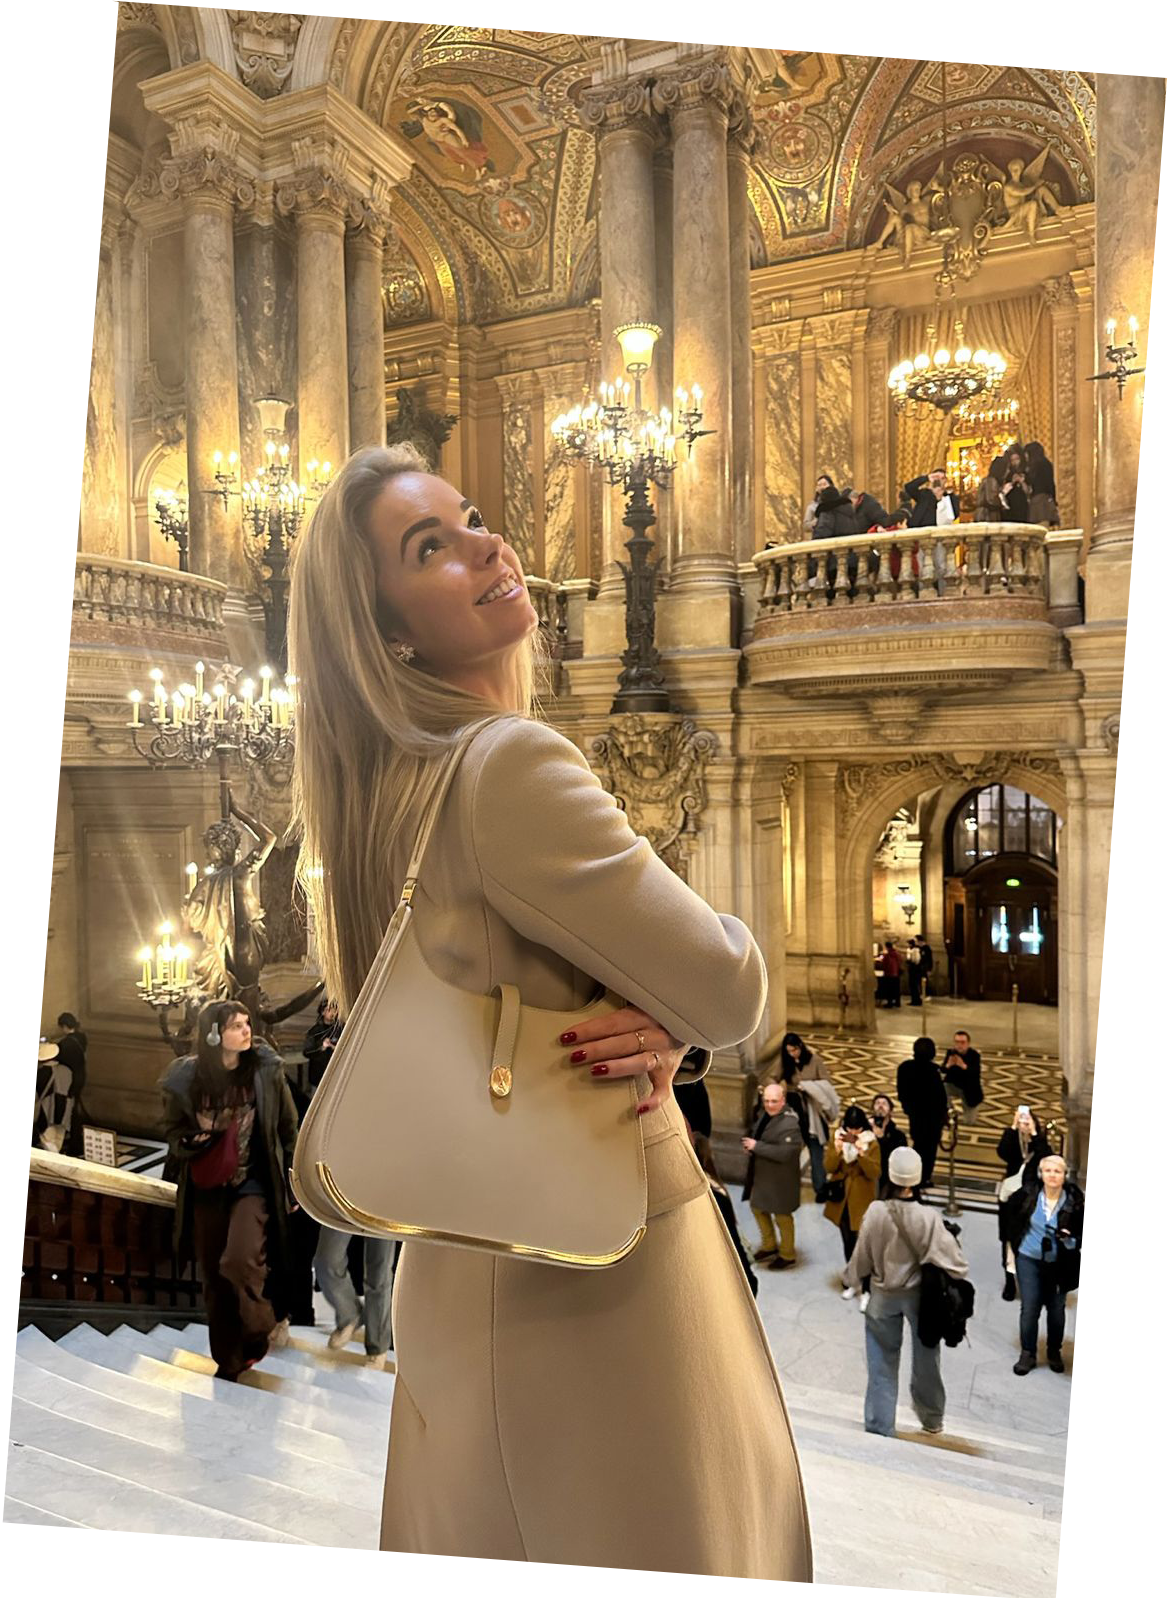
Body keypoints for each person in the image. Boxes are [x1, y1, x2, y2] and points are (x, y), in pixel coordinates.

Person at [288, 443, 813, 1592]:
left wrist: (652, 1009)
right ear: (387, 634)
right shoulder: (508, 765)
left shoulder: (384, 790)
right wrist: (681, 1000)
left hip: (462, 1277)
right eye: (430, 548)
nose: (486, 544)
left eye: (473, 517)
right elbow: (728, 987)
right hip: (601, 1272)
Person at [160, 1001, 300, 1382]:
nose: (246, 1030)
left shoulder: (265, 1071)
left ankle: (260, 1325)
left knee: (237, 1261)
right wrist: (193, 1140)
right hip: (208, 1187)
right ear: (213, 1034)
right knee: (213, 1276)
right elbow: (173, 1133)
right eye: (235, 1025)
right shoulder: (187, 1079)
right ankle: (229, 1360)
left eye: (246, 1023)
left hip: (253, 1182)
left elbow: (289, 1129)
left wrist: (294, 1184)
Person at [846, 1145, 970, 1437]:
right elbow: (958, 1265)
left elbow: (860, 1258)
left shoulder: (875, 1211)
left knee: (880, 1362)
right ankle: (932, 1419)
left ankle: (879, 1426)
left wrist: (851, 1279)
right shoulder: (927, 1217)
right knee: (927, 1359)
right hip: (920, 1298)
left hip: (881, 1295)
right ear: (917, 1179)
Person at [1004, 1154, 1082, 1374]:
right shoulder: (1028, 1194)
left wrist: (1069, 1238)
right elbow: (1011, 1218)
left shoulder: (1074, 1201)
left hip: (1059, 1264)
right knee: (1030, 1308)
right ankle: (1028, 1352)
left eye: (1057, 1171)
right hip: (1028, 1258)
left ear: (1065, 1175)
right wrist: (1014, 1243)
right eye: (1048, 1170)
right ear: (1041, 1173)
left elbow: (1082, 1232)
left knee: (1056, 1309)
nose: (1052, 1175)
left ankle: (1054, 1351)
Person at [760, 1031, 839, 1201]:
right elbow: (771, 1078)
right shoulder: (785, 1062)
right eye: (789, 1051)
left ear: (800, 1047)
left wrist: (808, 1086)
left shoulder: (815, 1060)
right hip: (794, 1109)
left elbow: (826, 1083)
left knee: (816, 1149)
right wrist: (776, 1089)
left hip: (812, 1111)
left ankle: (820, 1187)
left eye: (794, 1050)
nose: (792, 1054)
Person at [314, 1226, 398, 1368]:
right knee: (326, 1260)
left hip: (388, 1207)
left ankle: (377, 1346)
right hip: (344, 1205)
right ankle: (349, 1315)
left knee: (379, 1274)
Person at [742, 1081, 803, 1270]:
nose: (769, 1105)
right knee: (758, 1208)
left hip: (780, 1180)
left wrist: (757, 1147)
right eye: (766, 1101)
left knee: (782, 1217)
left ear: (783, 1100)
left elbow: (786, 1153)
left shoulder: (790, 1123)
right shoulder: (764, 1114)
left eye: (774, 1101)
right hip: (763, 1176)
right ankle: (769, 1246)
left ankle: (787, 1254)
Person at [824, 1105, 882, 1299]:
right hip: (842, 1200)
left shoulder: (870, 1142)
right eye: (850, 1128)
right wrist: (838, 1151)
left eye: (856, 1129)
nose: (853, 1133)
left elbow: (875, 1172)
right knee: (848, 1242)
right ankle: (852, 1280)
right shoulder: (837, 1138)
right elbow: (829, 1166)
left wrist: (861, 1154)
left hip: (861, 1198)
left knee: (863, 1246)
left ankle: (867, 1287)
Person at [996, 1107, 1053, 1300]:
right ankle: (1010, 1282)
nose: (1023, 1124)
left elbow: (1047, 1158)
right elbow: (1002, 1152)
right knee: (1008, 1241)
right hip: (1010, 1197)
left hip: (1031, 1198)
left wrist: (1035, 1134)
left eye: (1026, 1121)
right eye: (1020, 1121)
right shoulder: (1012, 1138)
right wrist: (1013, 1128)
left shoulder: (1039, 1142)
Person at [896, 1037, 948, 1186]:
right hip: (932, 1118)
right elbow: (940, 1098)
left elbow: (902, 1092)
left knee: (918, 1144)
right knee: (929, 1150)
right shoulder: (932, 1071)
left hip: (914, 1115)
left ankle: (914, 1175)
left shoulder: (904, 1067)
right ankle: (922, 1177)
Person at [37, 1012, 88, 1157]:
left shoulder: (65, 1045)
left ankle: (74, 1145)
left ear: (64, 1026)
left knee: (68, 1115)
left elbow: (56, 1054)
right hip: (79, 1077)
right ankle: (76, 1145)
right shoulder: (81, 1038)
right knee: (74, 1113)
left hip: (67, 1083)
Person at [870, 1093, 908, 1195]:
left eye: (884, 1104)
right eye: (877, 1103)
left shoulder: (898, 1136)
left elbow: (897, 1159)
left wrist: (882, 1139)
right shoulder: (864, 1130)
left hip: (887, 1178)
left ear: (890, 1111)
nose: (880, 1106)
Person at [942, 1029, 984, 1120]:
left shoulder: (974, 1055)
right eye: (957, 1042)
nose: (959, 1045)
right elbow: (943, 1070)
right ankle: (950, 1111)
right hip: (953, 1085)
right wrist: (948, 1065)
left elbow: (975, 1075)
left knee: (970, 1122)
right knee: (939, 1088)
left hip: (969, 1090)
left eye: (962, 1042)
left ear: (968, 1043)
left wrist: (963, 1066)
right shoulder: (951, 1053)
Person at [303, 996, 343, 1090]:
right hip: (318, 1077)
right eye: (329, 1010)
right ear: (323, 1012)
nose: (332, 1013)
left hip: (335, 1076)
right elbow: (306, 1052)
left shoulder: (340, 1029)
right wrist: (321, 1046)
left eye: (334, 1010)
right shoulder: (314, 1032)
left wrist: (337, 1048)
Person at [1024, 441, 1059, 525]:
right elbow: (1051, 484)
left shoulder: (1036, 466)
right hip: (1044, 498)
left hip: (1040, 500)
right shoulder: (1046, 464)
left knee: (1040, 527)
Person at [878, 940, 902, 1007]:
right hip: (896, 973)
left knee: (889, 989)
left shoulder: (888, 955)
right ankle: (898, 1002)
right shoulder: (897, 953)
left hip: (889, 973)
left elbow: (885, 964)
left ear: (887, 947)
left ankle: (890, 1003)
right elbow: (900, 961)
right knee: (896, 989)